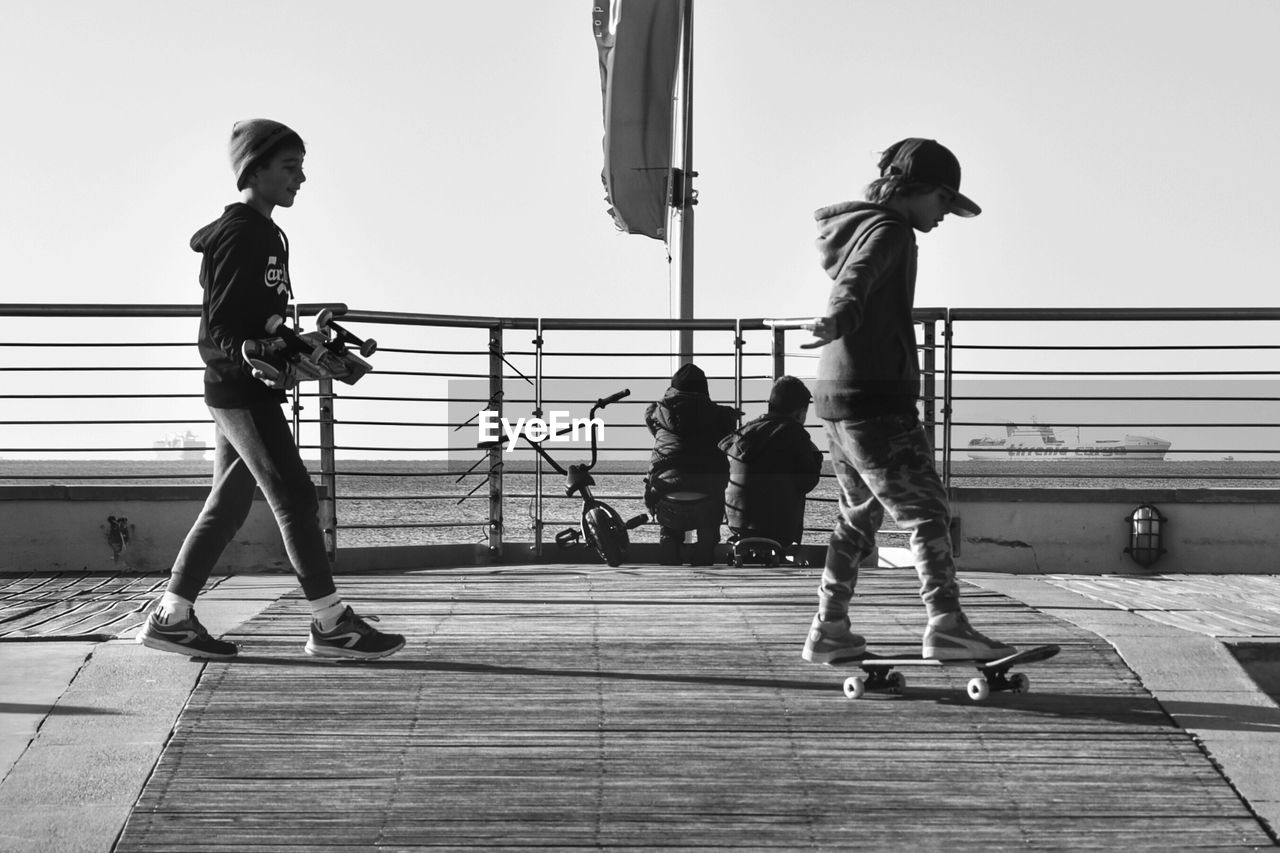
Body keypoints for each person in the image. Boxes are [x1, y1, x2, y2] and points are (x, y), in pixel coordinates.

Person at [137, 119, 405, 661]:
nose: (301, 177)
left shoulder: (266, 231)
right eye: (289, 166)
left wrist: (302, 344)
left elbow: (251, 321)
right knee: (294, 497)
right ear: (253, 170)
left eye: (302, 166)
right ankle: (331, 624)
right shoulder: (245, 232)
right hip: (240, 391)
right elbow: (220, 329)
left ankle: (172, 617)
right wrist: (253, 359)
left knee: (229, 505)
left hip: (237, 386)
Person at [799, 137, 1014, 664]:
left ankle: (829, 627)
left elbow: (855, 278)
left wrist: (840, 322)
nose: (944, 216)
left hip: (838, 395)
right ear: (915, 189)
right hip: (875, 396)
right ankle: (947, 624)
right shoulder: (891, 231)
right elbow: (857, 281)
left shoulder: (858, 229)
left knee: (857, 516)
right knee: (927, 511)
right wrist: (839, 318)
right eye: (943, 201)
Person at [643, 363, 739, 565]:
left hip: (666, 497)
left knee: (667, 509)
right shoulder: (721, 416)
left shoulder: (657, 414)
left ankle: (669, 547)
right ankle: (704, 550)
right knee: (710, 512)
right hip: (707, 501)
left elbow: (656, 430)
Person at [718, 375, 823, 550]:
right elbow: (808, 481)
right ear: (799, 412)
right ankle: (786, 546)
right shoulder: (795, 434)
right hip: (778, 526)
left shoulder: (744, 432)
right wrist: (816, 456)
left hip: (737, 519)